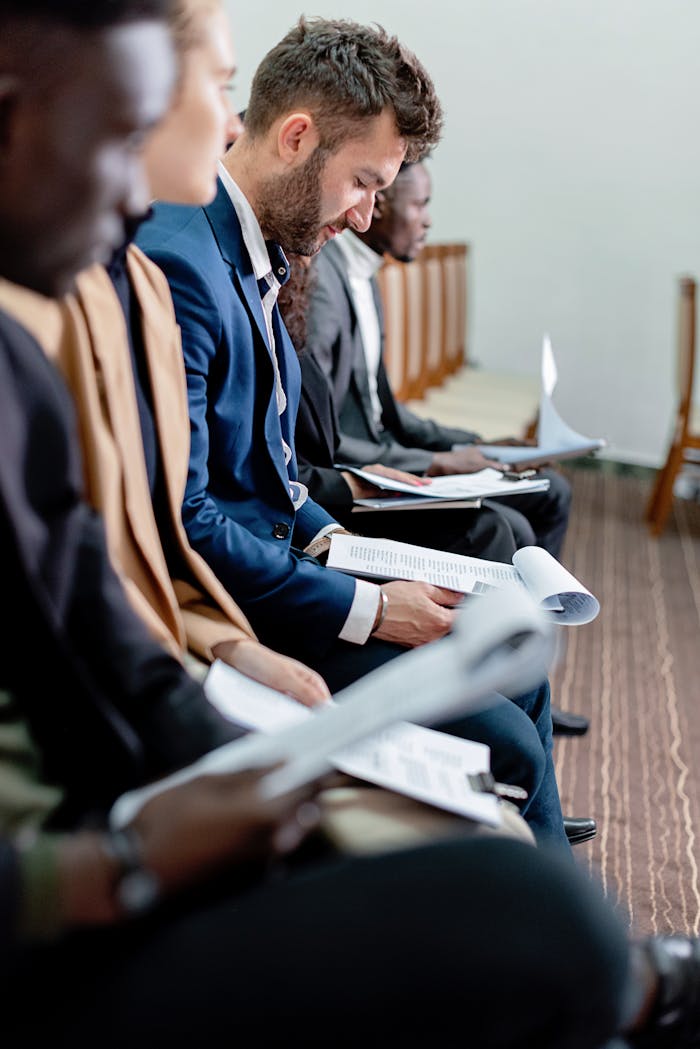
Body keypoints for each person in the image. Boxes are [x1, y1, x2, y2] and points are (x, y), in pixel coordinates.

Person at [1, 5, 699, 1047]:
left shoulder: (53, 333)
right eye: (122, 135)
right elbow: (176, 532)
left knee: (501, 702)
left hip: (140, 758)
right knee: (537, 899)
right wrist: (131, 852)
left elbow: (90, 603)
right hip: (62, 888)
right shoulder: (169, 263)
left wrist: (228, 760)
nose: (133, 195)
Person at [135, 16, 587, 848]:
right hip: (238, 611)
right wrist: (369, 607)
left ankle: (539, 864)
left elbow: (275, 474)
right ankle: (572, 942)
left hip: (284, 572)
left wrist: (351, 545)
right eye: (365, 183)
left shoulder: (250, 246)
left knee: (507, 662)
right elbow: (190, 518)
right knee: (509, 737)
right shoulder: (182, 261)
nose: (369, 212)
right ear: (297, 137)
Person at [0, 0, 330, 708]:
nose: (236, 124)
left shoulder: (140, 282)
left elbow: (113, 549)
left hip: (156, 655)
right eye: (220, 85)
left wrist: (221, 643)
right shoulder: (56, 303)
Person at [300, 157, 589, 737]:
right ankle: (503, 696)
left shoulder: (366, 275)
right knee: (501, 530)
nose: (428, 221)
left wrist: (475, 445)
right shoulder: (324, 283)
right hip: (354, 478)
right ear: (377, 204)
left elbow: (386, 406)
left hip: (381, 460)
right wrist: (433, 462)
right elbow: (324, 438)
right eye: (419, 204)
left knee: (541, 492)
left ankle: (522, 685)